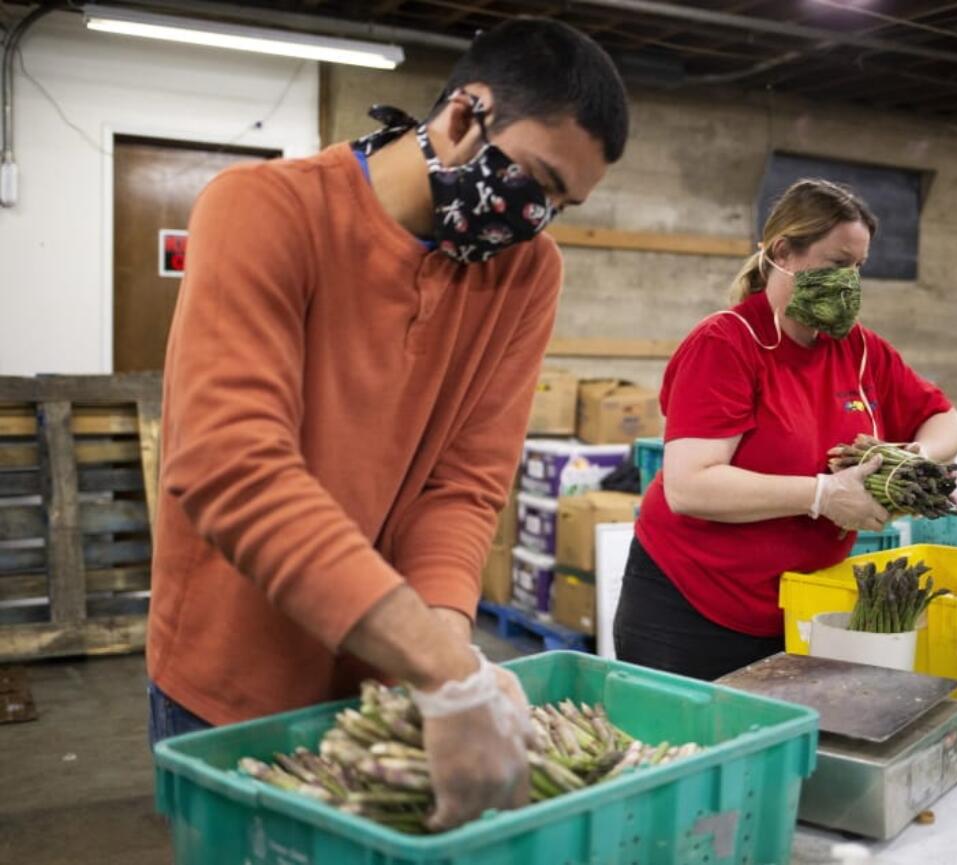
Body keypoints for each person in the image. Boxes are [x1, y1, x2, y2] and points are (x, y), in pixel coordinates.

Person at [144, 18, 628, 831]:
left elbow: (464, 485)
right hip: (229, 682)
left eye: (560, 204)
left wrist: (441, 651)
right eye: (537, 181)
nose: (536, 217)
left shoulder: (525, 274)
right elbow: (231, 463)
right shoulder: (265, 209)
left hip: (389, 677)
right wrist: (446, 668)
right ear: (465, 115)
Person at [614, 180, 957, 682]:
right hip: (692, 611)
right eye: (835, 265)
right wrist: (822, 495)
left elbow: (948, 421)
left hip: (797, 611)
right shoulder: (728, 343)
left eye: (858, 268)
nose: (849, 282)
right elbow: (689, 486)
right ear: (782, 252)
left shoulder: (860, 350)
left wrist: (911, 455)